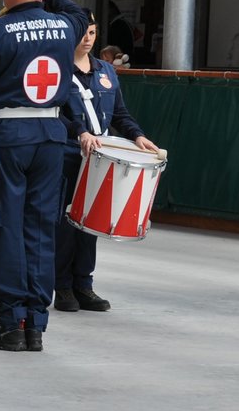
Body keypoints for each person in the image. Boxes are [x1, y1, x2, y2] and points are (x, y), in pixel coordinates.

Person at [0, 0, 90, 352]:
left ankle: (10, 320)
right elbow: (79, 13)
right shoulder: (66, 27)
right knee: (39, 228)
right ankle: (35, 323)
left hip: (6, 135)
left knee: (4, 226)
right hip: (51, 134)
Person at [54, 18, 160, 312]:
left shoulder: (106, 71)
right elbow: (51, 111)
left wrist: (138, 136)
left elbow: (120, 114)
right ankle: (61, 285)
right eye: (81, 33)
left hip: (99, 156)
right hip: (67, 153)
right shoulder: (58, 70)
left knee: (91, 221)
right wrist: (79, 131)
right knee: (65, 222)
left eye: (92, 33)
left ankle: (83, 284)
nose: (87, 39)